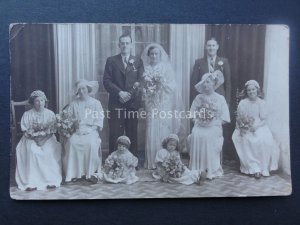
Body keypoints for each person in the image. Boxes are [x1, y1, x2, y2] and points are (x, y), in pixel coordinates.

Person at [141, 43, 184, 169]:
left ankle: (165, 161)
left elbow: (172, 85)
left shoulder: (166, 68)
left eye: (156, 54)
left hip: (164, 102)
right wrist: (148, 91)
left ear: (160, 55)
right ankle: (152, 162)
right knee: (151, 128)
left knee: (163, 127)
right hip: (151, 102)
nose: (154, 56)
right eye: (152, 54)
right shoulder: (146, 69)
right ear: (149, 56)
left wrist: (161, 86)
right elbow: (143, 86)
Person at [103, 34, 144, 157]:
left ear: (131, 45)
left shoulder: (137, 61)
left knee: (132, 133)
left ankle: (133, 162)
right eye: (122, 43)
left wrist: (130, 95)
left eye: (127, 43)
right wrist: (120, 92)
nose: (125, 45)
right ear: (119, 45)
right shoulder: (111, 60)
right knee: (115, 133)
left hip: (132, 104)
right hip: (116, 102)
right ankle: (113, 161)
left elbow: (141, 81)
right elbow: (106, 81)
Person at [15, 90, 62, 191]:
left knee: (48, 151)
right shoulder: (27, 114)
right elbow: (26, 131)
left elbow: (52, 130)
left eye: (42, 100)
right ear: (33, 102)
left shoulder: (50, 114)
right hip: (30, 138)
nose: (40, 103)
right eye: (37, 101)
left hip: (47, 138)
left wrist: (43, 140)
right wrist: (35, 139)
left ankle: (51, 180)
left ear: (45, 101)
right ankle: (31, 181)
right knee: (33, 151)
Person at [232, 80, 279, 179]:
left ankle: (262, 167)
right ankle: (252, 167)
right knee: (245, 139)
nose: (251, 92)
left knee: (264, 140)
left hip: (259, 125)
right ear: (246, 92)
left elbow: (264, 120)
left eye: (253, 89)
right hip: (246, 125)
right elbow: (240, 118)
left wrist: (256, 127)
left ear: (257, 90)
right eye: (249, 90)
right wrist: (243, 127)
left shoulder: (261, 103)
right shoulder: (243, 103)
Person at [189, 71, 230, 179]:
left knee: (209, 136)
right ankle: (197, 168)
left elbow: (225, 118)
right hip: (200, 125)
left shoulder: (220, 98)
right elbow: (192, 114)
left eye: (207, 82)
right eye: (203, 83)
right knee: (195, 133)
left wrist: (212, 122)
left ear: (213, 83)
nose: (205, 85)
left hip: (214, 126)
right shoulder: (198, 98)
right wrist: (199, 121)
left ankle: (210, 169)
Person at [63, 79, 104, 183]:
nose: (82, 91)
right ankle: (74, 173)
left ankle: (89, 173)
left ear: (88, 89)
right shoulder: (74, 104)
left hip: (91, 130)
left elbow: (99, 118)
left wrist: (92, 128)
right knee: (72, 143)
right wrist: (73, 125)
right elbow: (67, 118)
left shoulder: (96, 103)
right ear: (77, 91)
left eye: (84, 88)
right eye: (79, 89)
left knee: (90, 143)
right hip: (77, 131)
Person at [190, 37, 231, 105]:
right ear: (206, 47)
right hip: (204, 98)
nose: (211, 48)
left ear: (217, 47)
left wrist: (227, 101)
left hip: (219, 98)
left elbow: (228, 83)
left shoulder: (224, 61)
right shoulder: (199, 62)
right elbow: (194, 83)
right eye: (209, 46)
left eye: (213, 45)